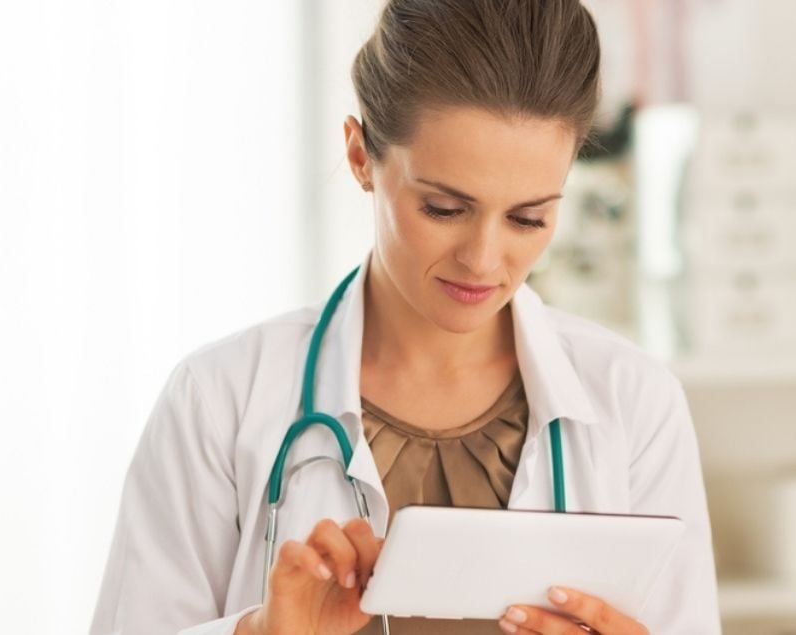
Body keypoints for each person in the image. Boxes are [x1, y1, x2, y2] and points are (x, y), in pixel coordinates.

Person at [90, 1, 720, 633]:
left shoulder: (633, 401)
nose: (482, 260)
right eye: (444, 208)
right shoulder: (219, 399)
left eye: (528, 218)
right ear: (361, 155)